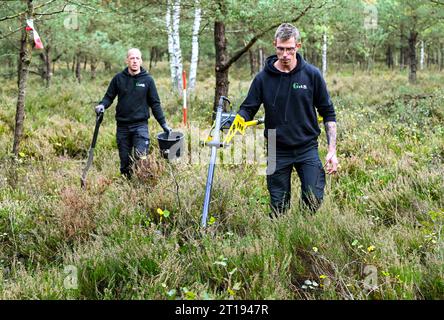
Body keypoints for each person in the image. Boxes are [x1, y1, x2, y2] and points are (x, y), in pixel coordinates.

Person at [237, 23, 338, 215]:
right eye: (280, 49)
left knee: (313, 197)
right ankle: (280, 235)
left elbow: (328, 113)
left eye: (290, 49)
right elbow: (247, 108)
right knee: (278, 206)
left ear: (298, 47)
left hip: (306, 146)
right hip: (276, 147)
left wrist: (332, 150)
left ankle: (303, 231)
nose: (285, 55)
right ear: (274, 44)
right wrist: (238, 120)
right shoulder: (262, 78)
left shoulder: (312, 75)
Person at [95, 48, 172, 178]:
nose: (135, 61)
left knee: (141, 158)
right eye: (132, 58)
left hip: (140, 126)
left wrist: (163, 124)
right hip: (122, 127)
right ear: (127, 61)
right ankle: (127, 187)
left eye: (137, 58)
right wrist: (102, 105)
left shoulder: (148, 80)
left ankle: (142, 188)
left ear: (141, 61)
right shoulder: (118, 79)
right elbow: (109, 97)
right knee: (125, 162)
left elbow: (155, 104)